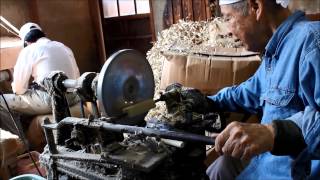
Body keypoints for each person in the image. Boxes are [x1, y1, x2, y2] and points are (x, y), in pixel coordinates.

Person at [202, 0, 320, 179]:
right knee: (219, 168)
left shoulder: (312, 41)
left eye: (228, 18)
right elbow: (248, 92)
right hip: (263, 166)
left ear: (256, 7)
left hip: (291, 174)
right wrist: (206, 101)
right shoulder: (276, 52)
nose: (228, 31)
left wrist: (273, 133)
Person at [0, 22, 80, 117]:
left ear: (26, 42)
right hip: (74, 97)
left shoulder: (28, 50)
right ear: (42, 35)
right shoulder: (64, 47)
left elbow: (18, 89)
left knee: (2, 100)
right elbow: (77, 77)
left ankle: (16, 132)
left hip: (51, 100)